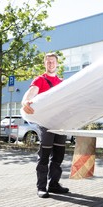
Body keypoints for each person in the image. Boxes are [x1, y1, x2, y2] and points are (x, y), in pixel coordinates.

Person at [21, 53, 69, 198]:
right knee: (44, 156)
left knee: (58, 156)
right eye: (48, 62)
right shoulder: (40, 80)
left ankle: (53, 184)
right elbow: (30, 93)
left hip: (60, 123)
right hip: (45, 124)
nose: (50, 64)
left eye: (52, 62)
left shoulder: (62, 82)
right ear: (45, 64)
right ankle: (41, 187)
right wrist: (25, 102)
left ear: (57, 64)